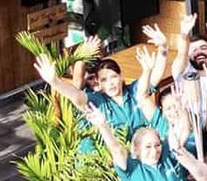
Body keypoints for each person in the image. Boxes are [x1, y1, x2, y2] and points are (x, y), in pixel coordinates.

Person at [35, 26, 169, 136]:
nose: (110, 83)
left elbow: (156, 74)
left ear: (121, 76)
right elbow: (76, 95)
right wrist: (54, 81)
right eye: (104, 80)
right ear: (99, 83)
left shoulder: (134, 91)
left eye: (113, 77)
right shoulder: (98, 101)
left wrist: (163, 47)